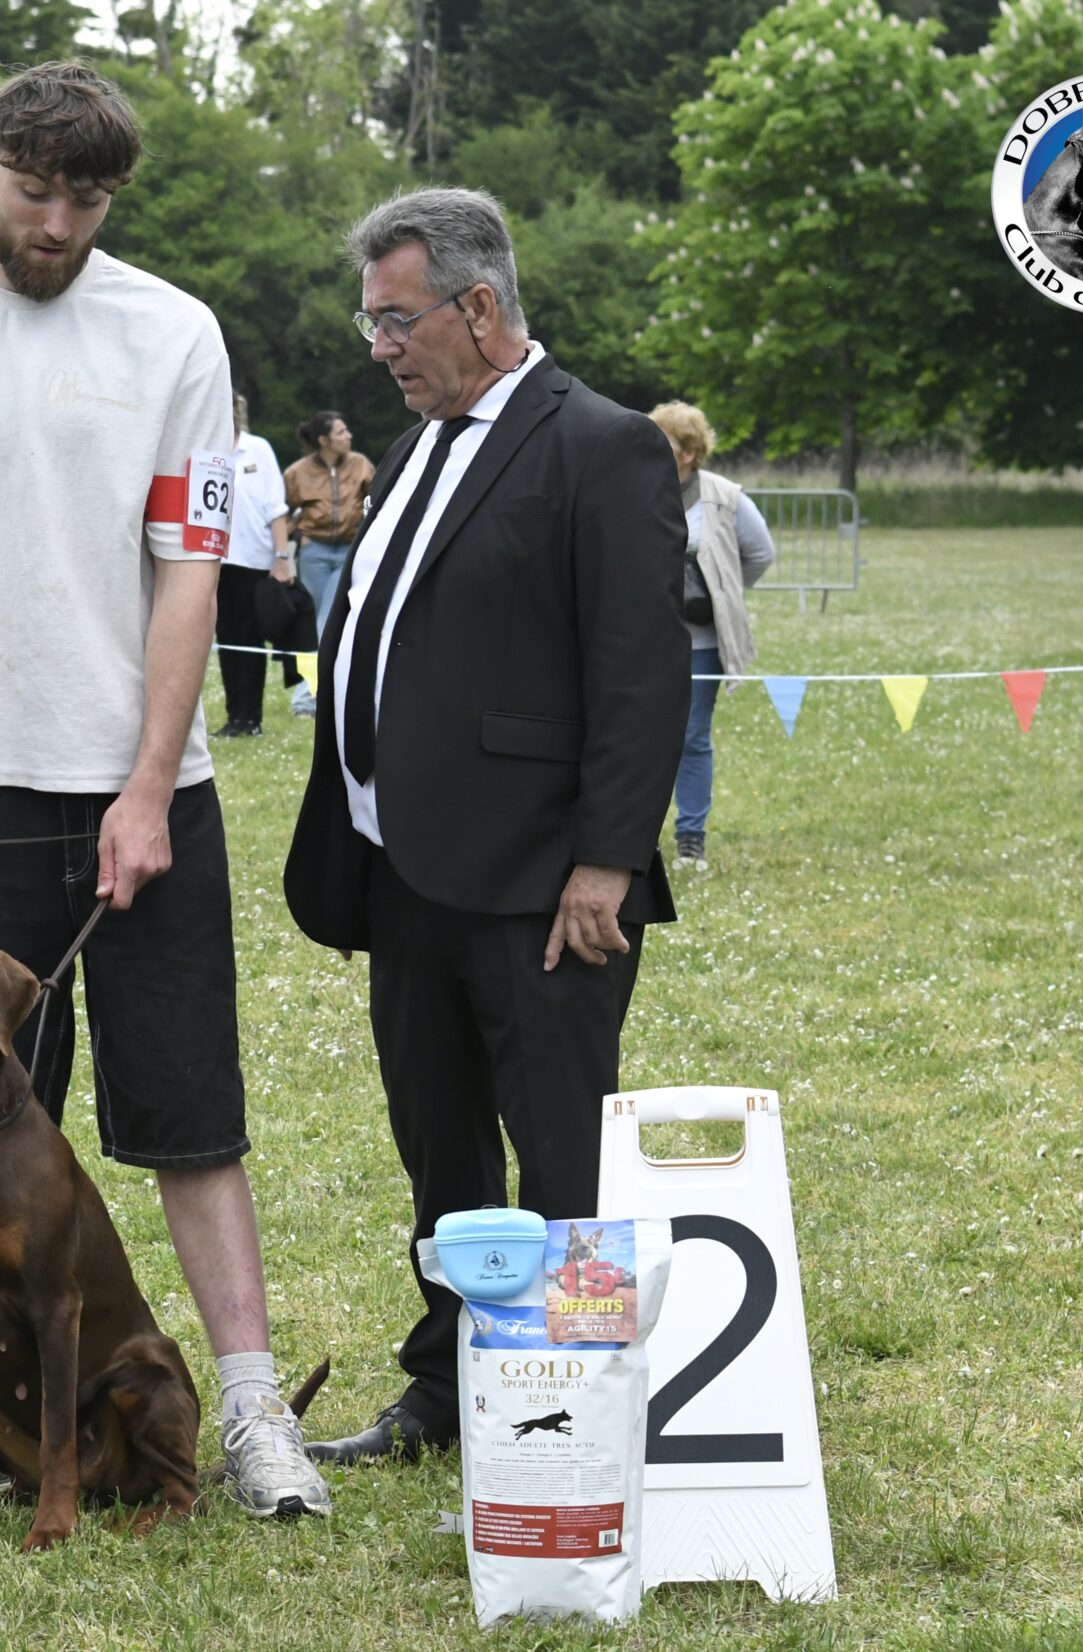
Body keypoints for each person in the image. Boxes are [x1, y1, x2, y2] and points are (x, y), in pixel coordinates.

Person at [0, 60, 333, 1519]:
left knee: (190, 1109)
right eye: (36, 191)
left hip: (140, 791)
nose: (58, 225)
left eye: (88, 201)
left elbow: (190, 569)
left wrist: (150, 780)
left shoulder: (176, 331)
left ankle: (250, 1413)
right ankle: (4, 1418)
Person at [280, 188, 687, 1466]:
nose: (379, 348)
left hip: (541, 879)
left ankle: (577, 1405)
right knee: (438, 1145)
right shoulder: (417, 444)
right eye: (369, 323)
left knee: (562, 1156)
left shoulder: (603, 443)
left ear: (476, 304)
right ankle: (449, 1382)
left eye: (396, 320)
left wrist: (605, 860)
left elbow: (640, 673)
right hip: (401, 866)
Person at [646, 401, 774, 871]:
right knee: (638, 736)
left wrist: (722, 593)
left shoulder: (724, 496)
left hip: (701, 645)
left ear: (689, 452)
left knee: (692, 737)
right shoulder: (634, 488)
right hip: (644, 641)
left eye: (664, 440)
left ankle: (690, 840)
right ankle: (635, 836)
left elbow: (760, 553)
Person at [213, 391, 300, 736]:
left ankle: (251, 719)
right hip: (216, 560)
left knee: (249, 642)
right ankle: (234, 716)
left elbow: (276, 508)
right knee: (226, 640)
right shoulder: (206, 449)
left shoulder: (258, 449)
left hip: (254, 561)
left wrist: (282, 559)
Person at [282, 408, 374, 646]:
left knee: (332, 610)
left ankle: (324, 663)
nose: (349, 436)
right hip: (313, 553)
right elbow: (281, 511)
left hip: (349, 550)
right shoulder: (297, 472)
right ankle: (318, 664)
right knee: (317, 611)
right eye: (341, 432)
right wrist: (297, 534)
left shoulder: (361, 464)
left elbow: (375, 502)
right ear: (324, 441)